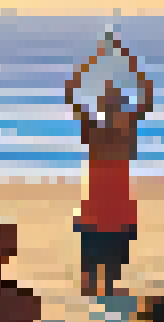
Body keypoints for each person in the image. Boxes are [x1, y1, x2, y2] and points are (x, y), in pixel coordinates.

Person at [66, 40, 154, 297]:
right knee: (96, 282)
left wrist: (105, 59)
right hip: (102, 215)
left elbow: (71, 94)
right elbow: (71, 95)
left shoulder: (114, 132)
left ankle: (101, 302)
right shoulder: (105, 132)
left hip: (111, 215)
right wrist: (114, 58)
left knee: (105, 281)